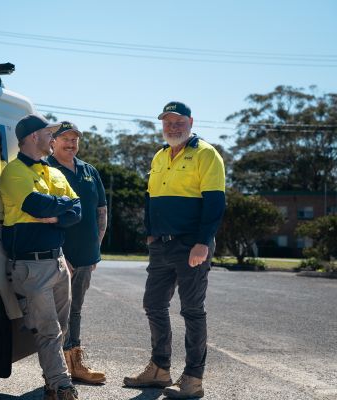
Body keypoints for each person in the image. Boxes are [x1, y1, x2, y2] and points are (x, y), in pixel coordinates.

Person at [123, 101, 225, 399]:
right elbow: (150, 198)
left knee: (192, 311)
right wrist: (150, 233)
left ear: (190, 122)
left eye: (178, 121)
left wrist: (203, 242)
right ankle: (160, 369)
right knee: (153, 304)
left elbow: (215, 203)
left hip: (191, 244)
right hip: (161, 245)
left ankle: (193, 378)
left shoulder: (206, 154)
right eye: (167, 122)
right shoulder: (159, 155)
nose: (173, 127)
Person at [0, 113, 82, 400]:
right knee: (49, 331)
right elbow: (36, 205)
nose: (53, 139)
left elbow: (77, 210)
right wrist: (60, 208)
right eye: (49, 134)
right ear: (34, 137)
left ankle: (52, 383)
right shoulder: (14, 172)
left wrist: (56, 215)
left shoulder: (54, 172)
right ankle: (61, 386)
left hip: (57, 262)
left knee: (61, 328)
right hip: (31, 265)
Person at [47, 121, 107, 385]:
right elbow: (42, 215)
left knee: (76, 310)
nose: (71, 144)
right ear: (52, 142)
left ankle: (75, 364)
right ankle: (56, 370)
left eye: (75, 140)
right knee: (56, 315)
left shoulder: (89, 171)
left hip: (85, 256)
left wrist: (96, 247)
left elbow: (101, 211)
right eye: (65, 139)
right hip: (58, 258)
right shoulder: (45, 169)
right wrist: (61, 256)